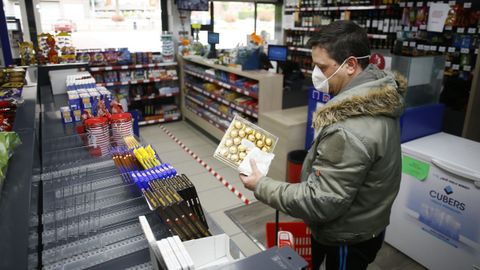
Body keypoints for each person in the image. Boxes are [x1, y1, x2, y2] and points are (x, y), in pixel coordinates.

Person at [239, 20, 406, 270]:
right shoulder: (379, 94)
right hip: (366, 221)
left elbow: (321, 201)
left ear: (350, 65)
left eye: (322, 67)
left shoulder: (350, 129)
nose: (315, 74)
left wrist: (261, 185)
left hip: (346, 235)